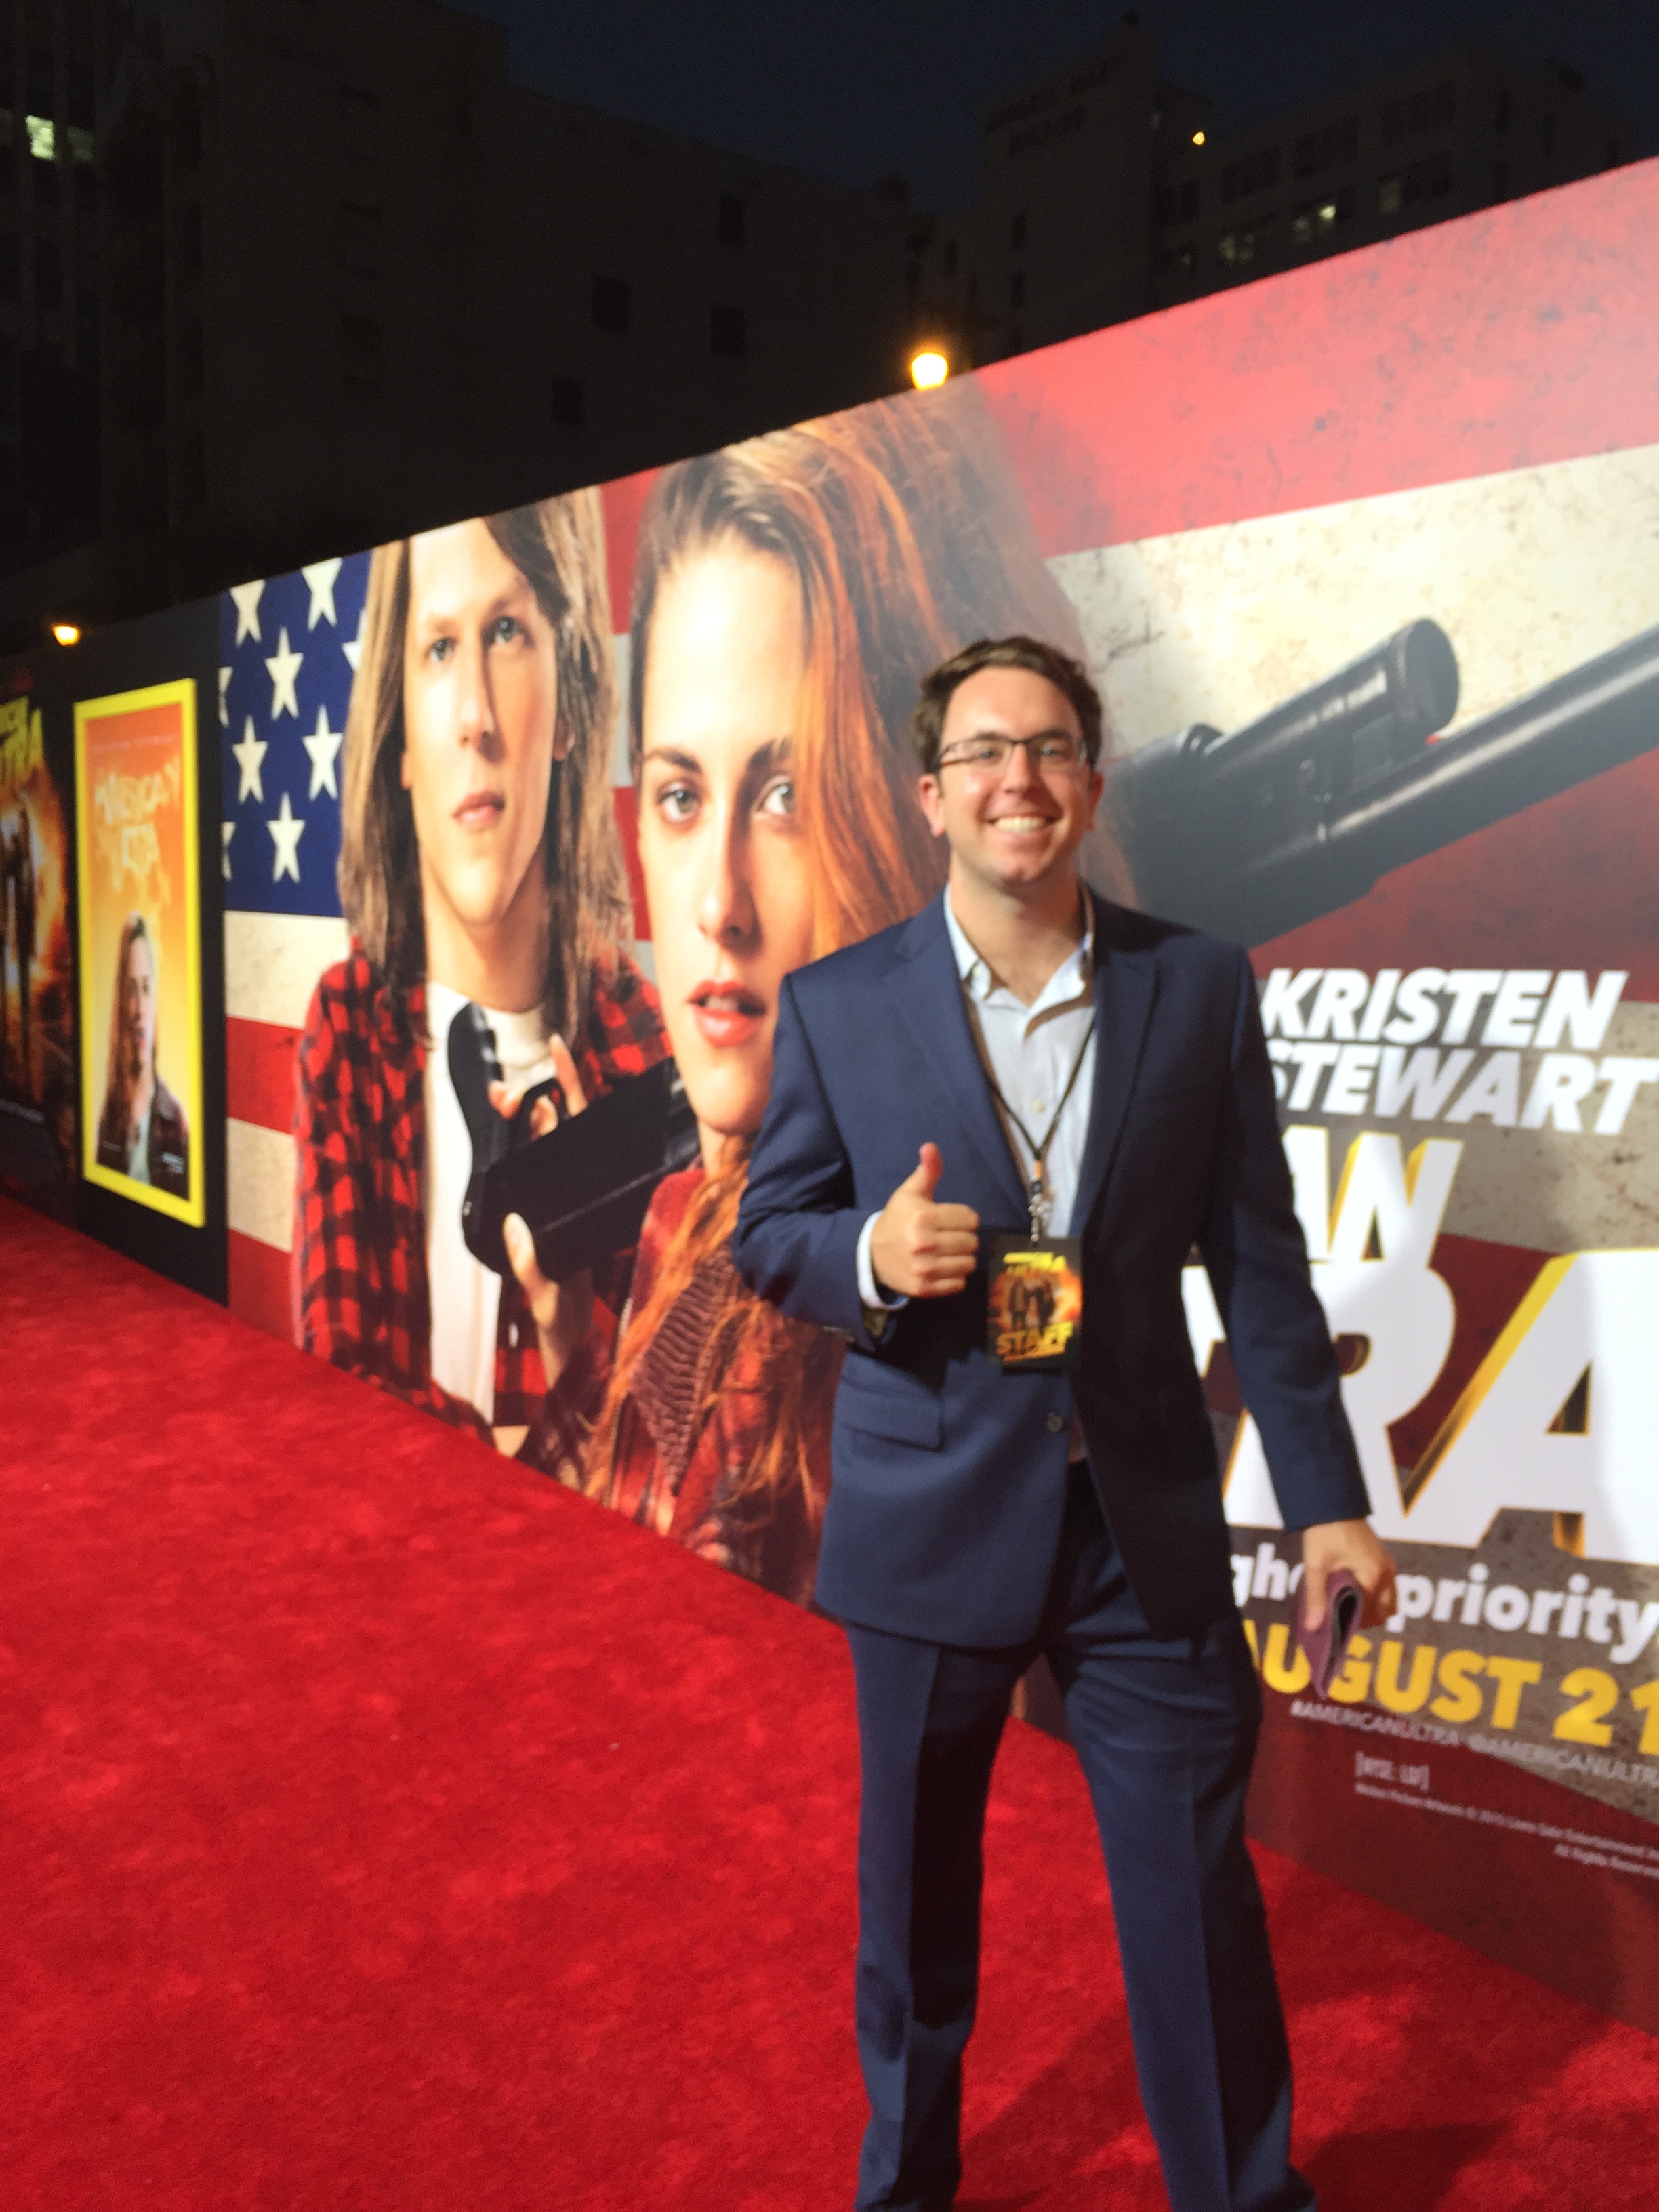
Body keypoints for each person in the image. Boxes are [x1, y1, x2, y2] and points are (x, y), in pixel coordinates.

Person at [733, 634, 1399, 2212]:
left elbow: (1260, 1265)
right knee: (914, 1920)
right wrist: (866, 1259)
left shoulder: (1194, 984)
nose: (1014, 778)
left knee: (1193, 1909)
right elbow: (769, 1230)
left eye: (1045, 750)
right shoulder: (837, 1004)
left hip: (1136, 1530)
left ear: (1089, 787)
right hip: (924, 1524)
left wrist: (1323, 1496)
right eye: (981, 753)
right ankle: (905, 2187)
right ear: (929, 794)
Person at [522, 392, 1103, 1601]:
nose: (716, 904)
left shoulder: (998, 1235)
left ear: (920, 815)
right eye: (680, 795)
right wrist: (578, 1359)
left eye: (786, 794)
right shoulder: (694, 1194)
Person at [293, 494, 667, 1454]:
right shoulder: (351, 1027)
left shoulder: (647, 1045)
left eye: (507, 632)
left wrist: (576, 1347)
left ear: (571, 709)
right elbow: (341, 1385)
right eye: (439, 649)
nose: (475, 719)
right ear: (401, 742)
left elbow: (669, 1438)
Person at [95, 913, 189, 1196]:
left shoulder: (174, 1120)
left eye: (147, 988)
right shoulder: (110, 1115)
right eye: (130, 990)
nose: (139, 1009)